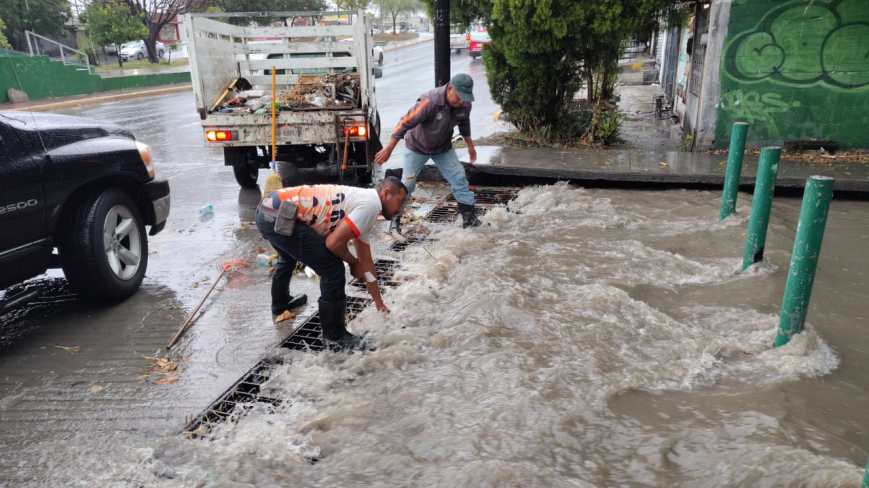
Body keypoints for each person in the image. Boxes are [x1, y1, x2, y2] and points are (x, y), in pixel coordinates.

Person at [255, 177, 407, 350]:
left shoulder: (365, 203)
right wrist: (352, 262)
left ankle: (280, 305)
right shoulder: (371, 206)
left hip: (268, 208)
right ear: (386, 193)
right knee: (332, 269)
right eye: (399, 202)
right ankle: (334, 336)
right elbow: (333, 243)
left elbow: (366, 262)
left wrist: (379, 303)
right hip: (280, 215)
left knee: (288, 257)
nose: (400, 209)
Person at [375, 73, 481, 228]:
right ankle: (396, 220)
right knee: (407, 185)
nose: (460, 102)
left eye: (464, 98)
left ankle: (469, 217)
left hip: (443, 148)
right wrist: (389, 148)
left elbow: (464, 124)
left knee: (459, 178)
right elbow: (405, 122)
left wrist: (470, 146)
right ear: (450, 88)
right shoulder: (429, 101)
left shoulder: (464, 103)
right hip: (417, 147)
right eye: (458, 97)